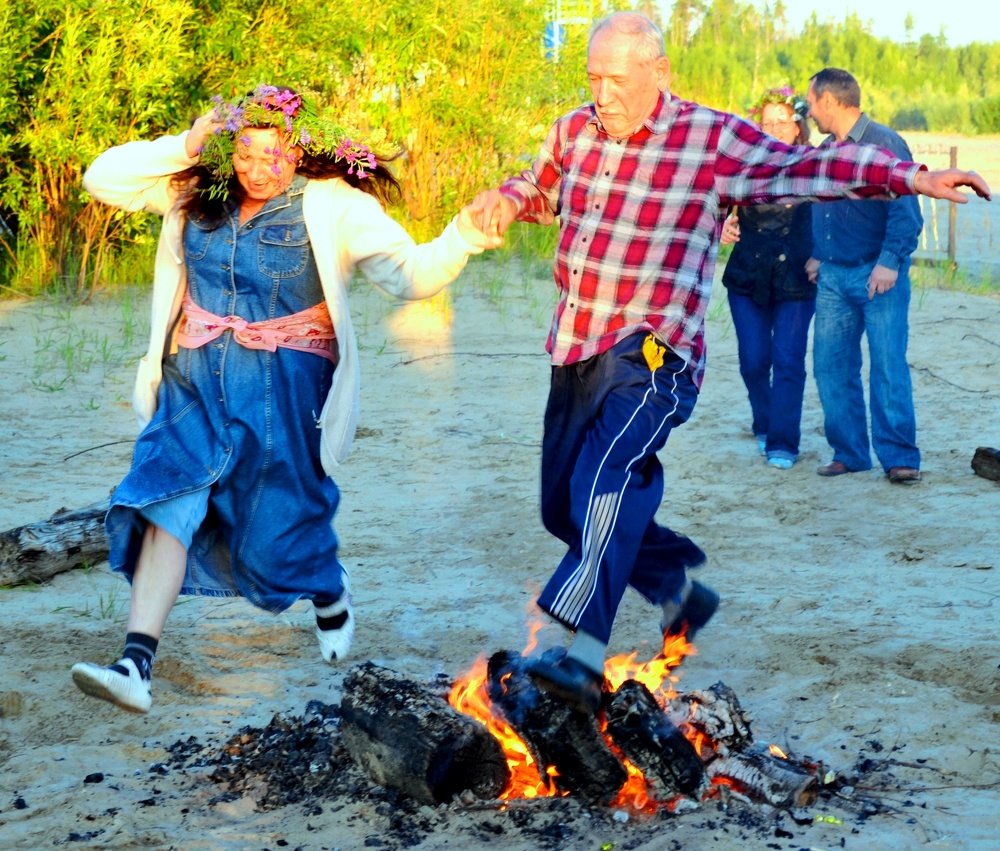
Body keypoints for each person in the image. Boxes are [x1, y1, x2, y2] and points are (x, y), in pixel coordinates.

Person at [469, 11, 991, 715]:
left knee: (603, 481)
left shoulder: (708, 139)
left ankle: (584, 658)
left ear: (659, 73)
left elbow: (807, 166)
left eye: (618, 80)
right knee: (563, 508)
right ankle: (679, 591)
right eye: (593, 78)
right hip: (576, 346)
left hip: (654, 354)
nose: (603, 94)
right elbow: (540, 189)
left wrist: (910, 177)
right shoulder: (574, 131)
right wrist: (505, 201)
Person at [71, 84, 492, 713]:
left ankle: (326, 584)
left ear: (300, 148)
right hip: (192, 381)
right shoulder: (196, 189)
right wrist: (185, 144)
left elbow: (411, 275)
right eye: (244, 153)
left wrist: (465, 234)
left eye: (273, 154)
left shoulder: (333, 206)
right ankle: (136, 664)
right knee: (165, 501)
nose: (258, 169)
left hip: (283, 391)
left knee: (272, 541)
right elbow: (101, 179)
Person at [805, 68, 924, 484]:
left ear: (830, 101)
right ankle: (850, 453)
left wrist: (890, 261)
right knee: (830, 367)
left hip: (878, 275)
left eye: (812, 102)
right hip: (833, 277)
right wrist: (818, 253)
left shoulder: (885, 143)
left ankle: (899, 457)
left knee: (888, 366)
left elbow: (906, 211)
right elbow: (824, 205)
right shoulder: (825, 149)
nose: (809, 111)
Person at [720, 87, 815, 470]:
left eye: (782, 121)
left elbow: (836, 212)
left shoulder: (812, 164)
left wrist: (825, 253)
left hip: (797, 276)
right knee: (753, 361)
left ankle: (783, 442)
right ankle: (764, 422)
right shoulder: (741, 164)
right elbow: (712, 201)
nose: (774, 129)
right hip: (748, 274)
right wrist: (722, 224)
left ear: (797, 126)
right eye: (766, 122)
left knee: (788, 360)